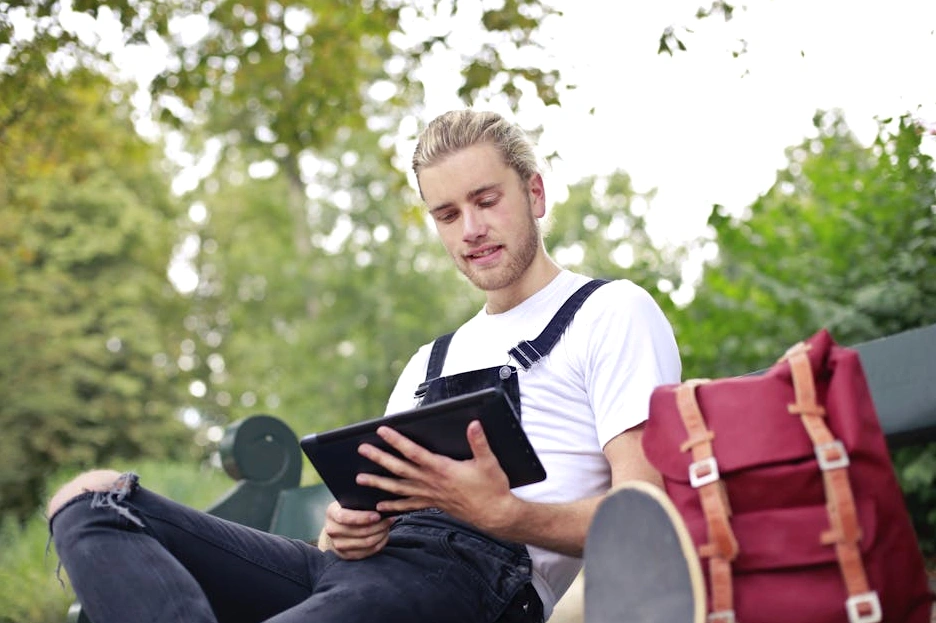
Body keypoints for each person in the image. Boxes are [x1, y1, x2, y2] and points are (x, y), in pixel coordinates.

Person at [46, 109, 681, 623]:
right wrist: (345, 532)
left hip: (475, 584)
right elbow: (355, 530)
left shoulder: (611, 312)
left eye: (486, 200)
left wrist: (503, 515)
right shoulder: (428, 364)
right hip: (353, 575)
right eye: (448, 214)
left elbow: (647, 517)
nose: (471, 230)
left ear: (535, 193)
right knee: (90, 500)